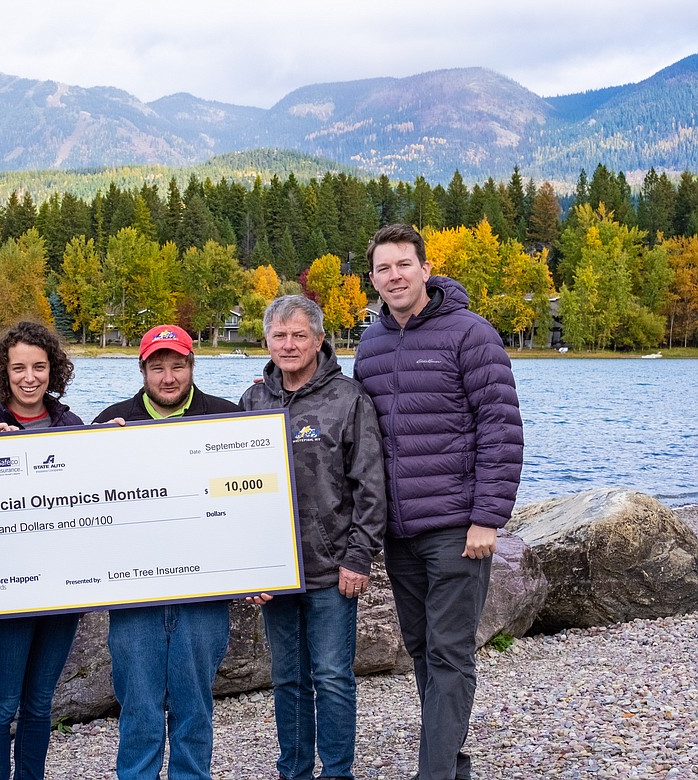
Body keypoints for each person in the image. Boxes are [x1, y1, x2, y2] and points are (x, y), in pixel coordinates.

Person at [353, 224, 523, 780]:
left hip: (456, 526)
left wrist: (487, 518)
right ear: (372, 279)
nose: (394, 275)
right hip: (399, 533)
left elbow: (500, 427)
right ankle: (451, 763)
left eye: (404, 264)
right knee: (423, 650)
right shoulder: (371, 343)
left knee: (450, 654)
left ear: (426, 269)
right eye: (383, 268)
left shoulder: (470, 334)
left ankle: (435, 774)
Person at [239, 295, 387, 780]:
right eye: (279, 336)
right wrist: (252, 566)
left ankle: (337, 771)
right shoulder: (253, 400)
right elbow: (235, 490)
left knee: (333, 677)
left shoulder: (349, 398)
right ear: (266, 341)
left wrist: (359, 557)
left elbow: (370, 483)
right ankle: (294, 770)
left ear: (320, 339)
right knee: (288, 680)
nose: (289, 345)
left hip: (332, 570)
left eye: (299, 335)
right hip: (277, 572)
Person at [92, 324, 240, 780]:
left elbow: (248, 506)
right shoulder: (110, 422)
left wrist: (263, 572)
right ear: (143, 370)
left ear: (192, 366)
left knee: (194, 707)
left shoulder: (228, 418)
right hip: (134, 598)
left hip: (205, 594)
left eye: (178, 365)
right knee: (139, 707)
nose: (169, 377)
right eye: (158, 367)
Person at [0, 321, 84, 780]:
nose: (29, 377)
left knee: (39, 704)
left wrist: (114, 444)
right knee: (1, 703)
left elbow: (94, 503)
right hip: (4, 592)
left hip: (61, 590)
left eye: (39, 366)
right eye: (18, 368)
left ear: (53, 369)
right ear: (3, 373)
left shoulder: (72, 426)